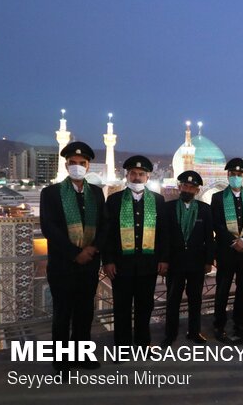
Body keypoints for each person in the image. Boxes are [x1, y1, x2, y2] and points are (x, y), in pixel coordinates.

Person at [40, 141, 105, 372]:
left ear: (88, 166)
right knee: (62, 314)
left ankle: (82, 356)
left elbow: (103, 226)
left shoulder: (96, 193)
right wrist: (75, 253)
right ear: (67, 165)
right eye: (73, 163)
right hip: (63, 266)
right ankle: (62, 361)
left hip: (88, 266)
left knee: (84, 313)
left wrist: (93, 249)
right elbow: (50, 229)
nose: (77, 166)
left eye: (82, 163)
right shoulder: (51, 193)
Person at [103, 155, 169, 348]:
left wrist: (164, 259)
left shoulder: (157, 200)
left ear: (148, 177)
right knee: (122, 308)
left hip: (147, 266)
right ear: (127, 176)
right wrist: (108, 261)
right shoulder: (114, 200)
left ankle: (143, 344)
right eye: (133, 174)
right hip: (121, 266)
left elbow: (164, 233)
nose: (137, 178)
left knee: (144, 307)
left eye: (141, 174)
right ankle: (122, 347)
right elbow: (107, 234)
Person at [162, 171, 214, 347]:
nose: (188, 189)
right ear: (179, 187)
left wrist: (209, 261)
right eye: (185, 186)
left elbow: (209, 237)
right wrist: (164, 260)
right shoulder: (168, 208)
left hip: (196, 264)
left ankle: (194, 331)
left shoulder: (204, 209)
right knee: (173, 300)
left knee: (195, 300)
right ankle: (170, 334)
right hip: (175, 264)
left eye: (192, 187)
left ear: (197, 190)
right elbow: (163, 236)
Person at [211, 158, 243, 340]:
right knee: (223, 289)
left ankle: (240, 321)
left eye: (240, 175)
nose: (236, 177)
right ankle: (219, 324)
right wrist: (233, 241)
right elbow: (217, 224)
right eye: (233, 174)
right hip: (226, 252)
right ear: (228, 175)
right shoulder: (218, 198)